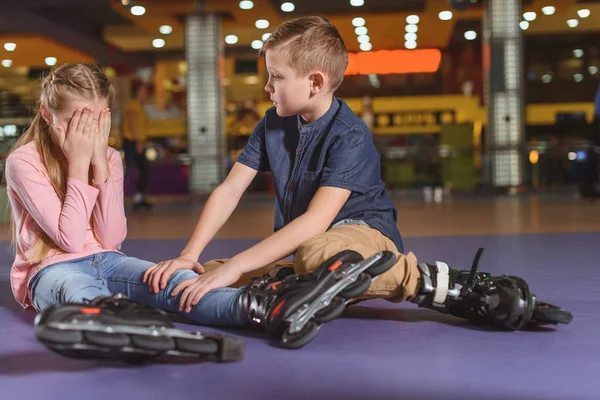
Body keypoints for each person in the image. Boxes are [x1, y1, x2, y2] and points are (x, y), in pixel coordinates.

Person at [146, 16, 572, 331]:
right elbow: (229, 190)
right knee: (202, 274)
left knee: (312, 255)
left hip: (360, 235)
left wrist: (240, 265)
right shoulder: (271, 123)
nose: (267, 87)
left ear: (315, 82)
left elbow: (316, 221)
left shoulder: (350, 134)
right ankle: (304, 283)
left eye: (276, 77)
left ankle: (434, 281)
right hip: (311, 243)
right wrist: (190, 254)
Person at [5, 64, 393, 352]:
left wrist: (102, 168)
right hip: (50, 269)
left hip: (107, 258)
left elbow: (110, 238)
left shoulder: (108, 158)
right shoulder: (24, 161)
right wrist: (78, 165)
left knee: (176, 284)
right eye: (75, 121)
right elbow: (70, 240)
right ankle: (122, 320)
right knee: (77, 288)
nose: (86, 133)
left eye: (96, 121)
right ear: (46, 114)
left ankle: (267, 309)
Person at [122, 79, 152, 210]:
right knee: (128, 170)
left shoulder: (138, 105)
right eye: (143, 91)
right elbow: (133, 124)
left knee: (144, 169)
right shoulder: (133, 105)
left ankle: (139, 197)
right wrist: (139, 142)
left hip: (136, 142)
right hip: (132, 142)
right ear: (137, 93)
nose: (145, 94)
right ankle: (115, 198)